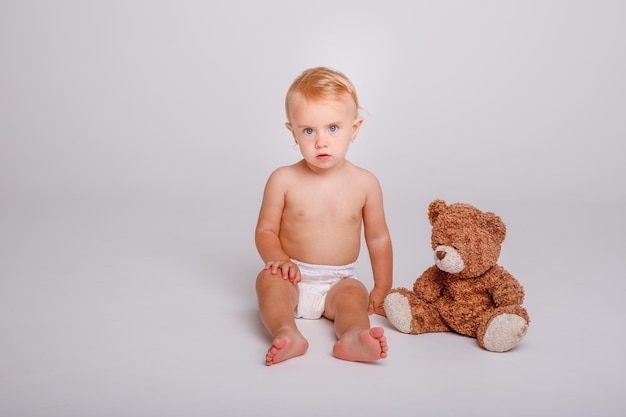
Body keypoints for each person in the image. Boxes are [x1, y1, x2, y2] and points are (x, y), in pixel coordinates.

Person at [255, 66, 393, 366]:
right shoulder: (283, 179)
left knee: (353, 298)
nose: (321, 141)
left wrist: (382, 286)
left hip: (339, 280)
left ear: (353, 129)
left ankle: (354, 336)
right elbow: (265, 231)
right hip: (292, 275)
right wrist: (279, 259)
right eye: (308, 130)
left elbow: (378, 237)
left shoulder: (365, 183)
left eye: (333, 128)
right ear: (293, 131)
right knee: (268, 282)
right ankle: (287, 332)